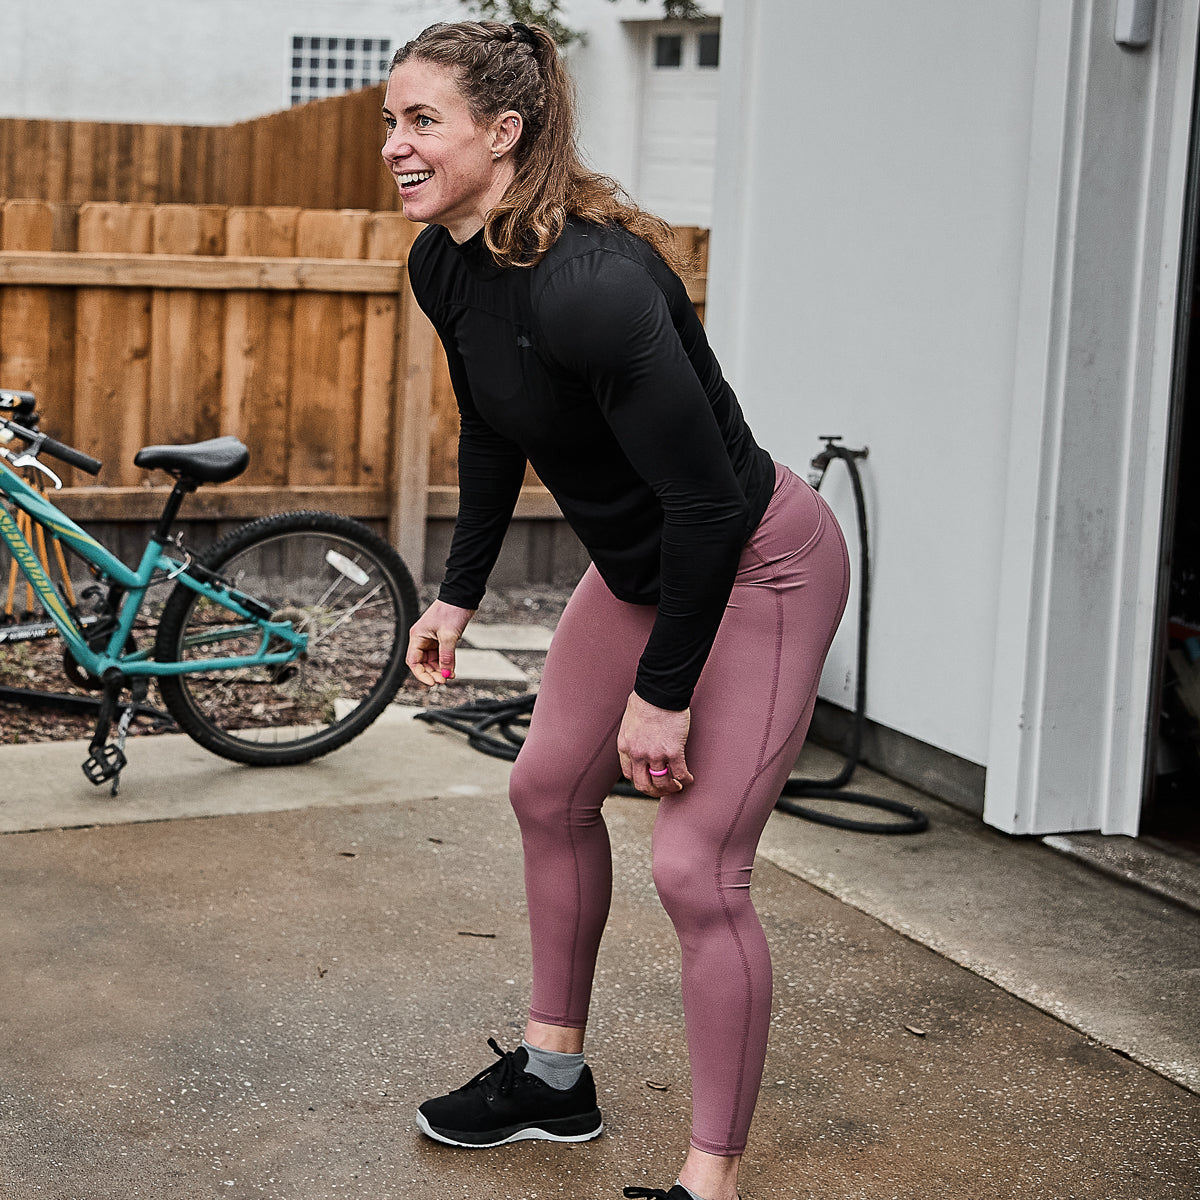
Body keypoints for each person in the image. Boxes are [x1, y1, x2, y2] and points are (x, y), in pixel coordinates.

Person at [386, 20, 850, 1200]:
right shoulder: (446, 263)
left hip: (757, 567)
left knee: (700, 870)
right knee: (545, 788)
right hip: (650, 567)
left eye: (421, 121)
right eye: (391, 121)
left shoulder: (593, 286)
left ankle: (710, 1181)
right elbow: (494, 426)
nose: (396, 144)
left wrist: (663, 696)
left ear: (505, 132)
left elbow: (705, 508)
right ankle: (551, 1081)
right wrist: (456, 590)